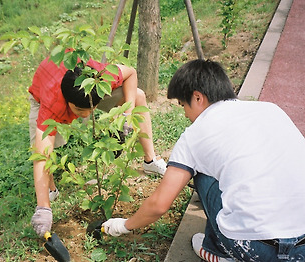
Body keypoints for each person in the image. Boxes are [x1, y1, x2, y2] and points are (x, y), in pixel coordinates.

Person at [102, 59, 305, 261]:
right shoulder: (271, 110)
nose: (185, 114)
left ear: (198, 97)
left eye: (183, 105)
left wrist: (124, 225)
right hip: (302, 247)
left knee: (201, 174)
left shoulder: (195, 135)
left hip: (255, 247)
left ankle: (216, 250)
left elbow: (159, 205)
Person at [29, 53, 167, 238]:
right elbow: (41, 155)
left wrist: (127, 114)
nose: (86, 116)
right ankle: (49, 192)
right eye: (79, 111)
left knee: (137, 95)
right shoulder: (52, 102)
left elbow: (131, 73)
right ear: (67, 102)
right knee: (45, 150)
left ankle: (150, 160)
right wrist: (43, 207)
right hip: (45, 91)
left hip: (87, 93)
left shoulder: (101, 77)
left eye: (91, 110)